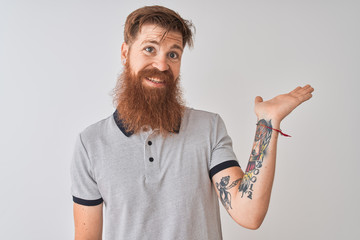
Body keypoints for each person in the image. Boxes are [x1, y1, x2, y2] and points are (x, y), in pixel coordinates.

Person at [70, 5, 314, 240]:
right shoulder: (90, 143)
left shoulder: (209, 128)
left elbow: (248, 214)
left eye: (173, 54)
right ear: (125, 53)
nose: (162, 65)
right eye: (149, 49)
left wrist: (267, 123)